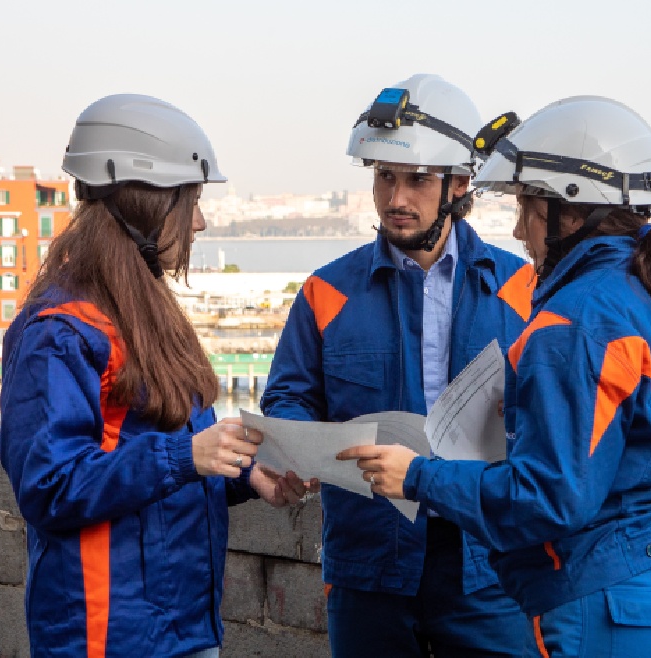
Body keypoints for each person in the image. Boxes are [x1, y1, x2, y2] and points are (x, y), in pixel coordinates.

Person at [340, 96, 651, 657]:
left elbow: (548, 497)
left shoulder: (572, 321)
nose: (520, 230)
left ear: (571, 212)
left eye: (526, 207)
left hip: (609, 607)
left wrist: (417, 476)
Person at [0, 94, 315, 658]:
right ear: (145, 203)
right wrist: (186, 457)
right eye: (191, 203)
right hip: (105, 637)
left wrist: (247, 475)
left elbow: (163, 469)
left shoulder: (141, 311)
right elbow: (48, 486)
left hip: (181, 629)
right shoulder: (60, 333)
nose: (200, 222)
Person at [259, 74, 536, 656]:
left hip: (487, 565)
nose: (396, 199)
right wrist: (297, 451)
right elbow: (289, 398)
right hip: (368, 563)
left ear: (459, 184)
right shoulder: (327, 291)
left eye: (417, 179)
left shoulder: (523, 289)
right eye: (385, 176)